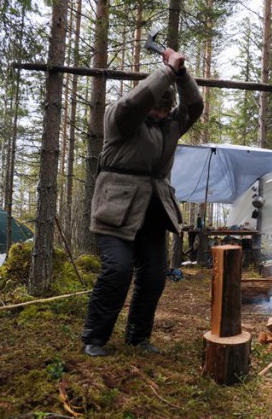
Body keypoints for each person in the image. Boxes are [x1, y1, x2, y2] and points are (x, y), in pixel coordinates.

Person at [81, 48, 204, 357]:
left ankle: (138, 336)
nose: (161, 116)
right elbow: (134, 103)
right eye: (157, 111)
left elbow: (195, 106)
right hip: (116, 208)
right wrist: (164, 73)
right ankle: (94, 339)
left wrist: (181, 73)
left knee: (153, 274)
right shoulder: (122, 118)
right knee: (118, 270)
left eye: (166, 111)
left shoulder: (171, 126)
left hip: (153, 209)